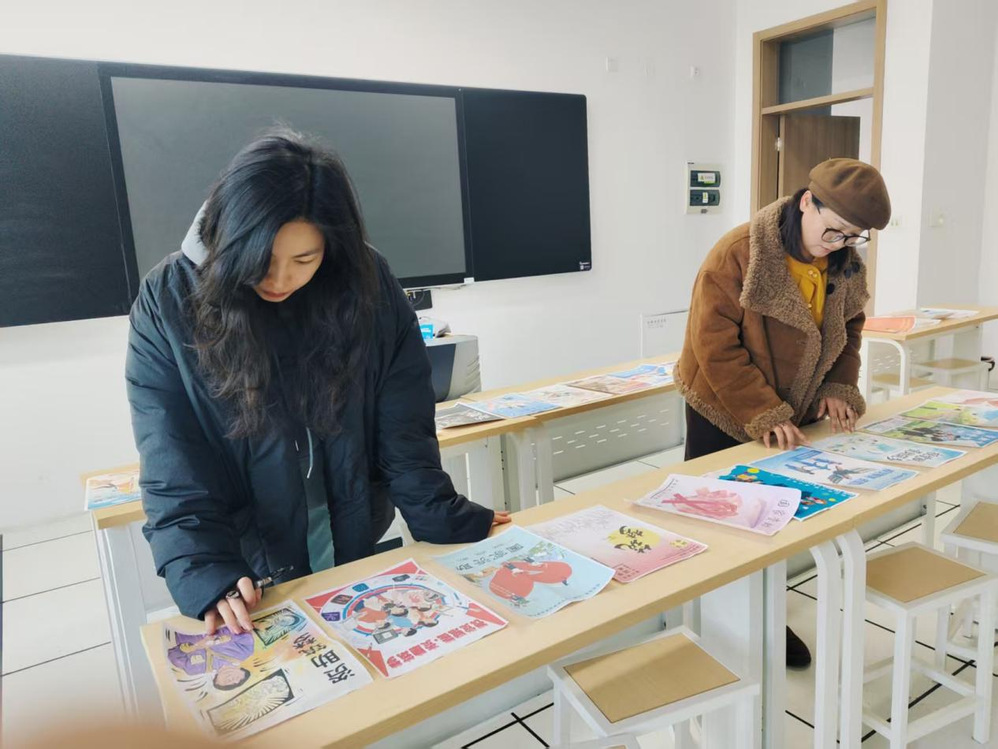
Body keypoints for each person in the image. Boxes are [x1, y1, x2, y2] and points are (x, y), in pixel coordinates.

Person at [126, 129, 510, 635]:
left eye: (304, 260)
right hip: (248, 546)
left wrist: (441, 514)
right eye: (262, 260)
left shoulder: (366, 280)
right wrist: (202, 566)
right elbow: (170, 449)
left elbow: (403, 419)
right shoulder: (169, 298)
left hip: (353, 518)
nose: (280, 279)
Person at [675, 158, 891, 667]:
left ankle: (765, 615)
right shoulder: (739, 252)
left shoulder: (844, 262)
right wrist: (764, 411)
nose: (839, 244)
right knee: (717, 516)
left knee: (773, 516)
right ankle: (707, 620)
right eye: (834, 230)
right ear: (806, 202)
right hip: (723, 404)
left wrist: (839, 385)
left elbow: (851, 327)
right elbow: (714, 347)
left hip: (794, 402)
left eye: (853, 236)